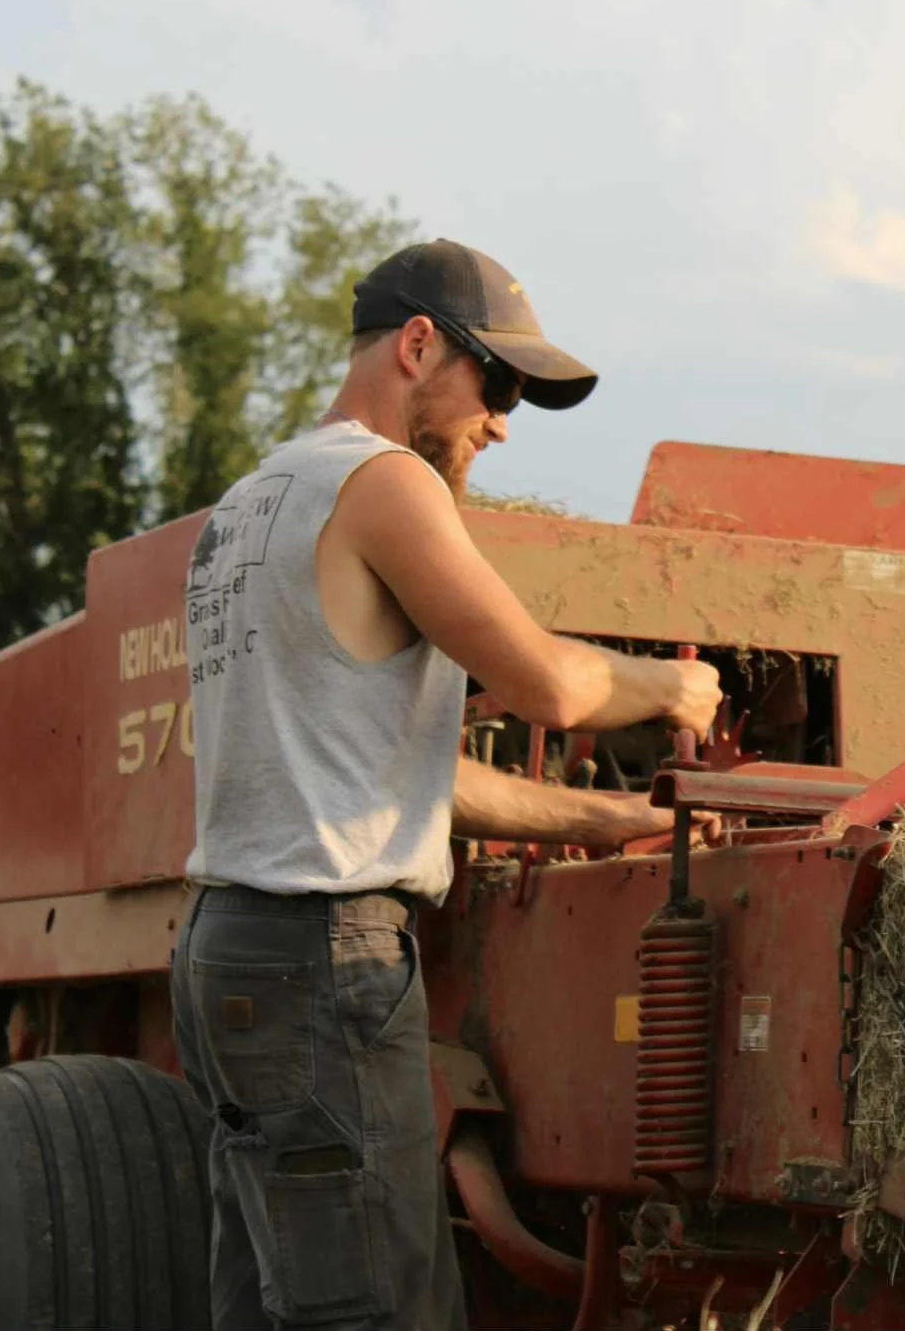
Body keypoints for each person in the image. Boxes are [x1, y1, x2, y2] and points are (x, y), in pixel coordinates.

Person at [170, 238, 723, 1330]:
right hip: (325, 960)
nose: (505, 420)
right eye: (500, 382)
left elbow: (379, 772)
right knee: (384, 1308)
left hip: (225, 948)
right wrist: (671, 682)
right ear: (419, 346)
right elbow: (551, 689)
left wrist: (605, 818)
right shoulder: (385, 485)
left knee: (267, 1303)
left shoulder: (248, 507)